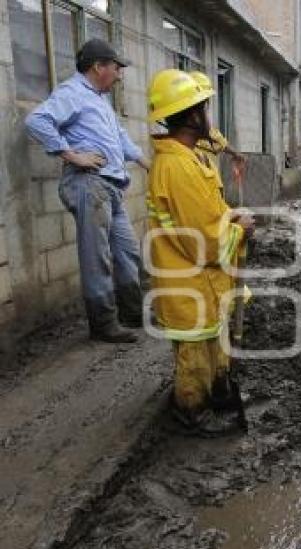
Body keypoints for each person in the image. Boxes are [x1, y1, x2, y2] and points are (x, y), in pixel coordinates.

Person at [145, 69, 255, 435]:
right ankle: (191, 412)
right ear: (192, 116)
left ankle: (219, 392)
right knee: (194, 359)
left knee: (213, 345)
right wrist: (239, 229)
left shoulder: (188, 157)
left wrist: (229, 215)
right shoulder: (178, 167)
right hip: (191, 280)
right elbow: (204, 240)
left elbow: (207, 213)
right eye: (205, 110)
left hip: (203, 281)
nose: (210, 118)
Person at [25, 38, 149, 343]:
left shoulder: (99, 101)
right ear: (98, 67)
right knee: (98, 257)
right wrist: (72, 155)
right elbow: (36, 120)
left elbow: (120, 137)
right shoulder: (73, 93)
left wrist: (147, 163)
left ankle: (132, 313)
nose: (120, 75)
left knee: (128, 253)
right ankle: (104, 324)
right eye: (116, 68)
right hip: (88, 184)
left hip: (112, 187)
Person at [189, 72, 246, 189]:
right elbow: (217, 140)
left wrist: (235, 154)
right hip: (206, 185)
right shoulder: (199, 133)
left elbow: (218, 140)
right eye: (206, 104)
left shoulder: (170, 150)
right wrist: (235, 154)